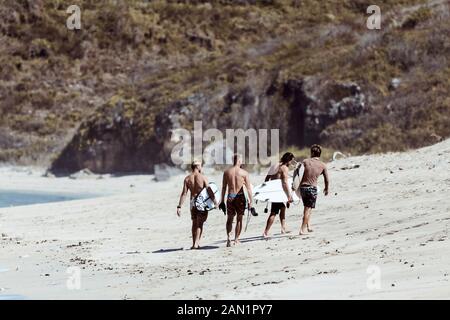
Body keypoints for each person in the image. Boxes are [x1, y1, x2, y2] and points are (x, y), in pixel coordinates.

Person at [177, 161, 217, 249]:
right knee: (200, 223)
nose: (201, 167)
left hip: (192, 202)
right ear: (198, 166)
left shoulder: (187, 178)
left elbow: (184, 193)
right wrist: (215, 201)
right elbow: (209, 190)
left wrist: (179, 206)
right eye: (201, 166)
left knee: (194, 222)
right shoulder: (203, 178)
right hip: (201, 202)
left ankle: (193, 243)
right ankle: (196, 244)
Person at [220, 154, 253, 247]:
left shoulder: (226, 172)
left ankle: (228, 239)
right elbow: (249, 188)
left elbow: (223, 188)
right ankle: (236, 239)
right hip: (240, 196)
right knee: (239, 218)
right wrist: (251, 201)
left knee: (230, 218)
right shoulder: (244, 173)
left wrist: (222, 201)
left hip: (230, 196)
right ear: (239, 161)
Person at [298, 144, 330, 235]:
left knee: (307, 208)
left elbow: (297, 173)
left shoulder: (305, 161)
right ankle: (302, 230)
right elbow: (327, 179)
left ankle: (308, 226)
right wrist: (326, 189)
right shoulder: (323, 165)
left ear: (312, 152)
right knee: (308, 209)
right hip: (312, 189)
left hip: (303, 188)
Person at [262, 152, 296, 238]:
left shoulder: (274, 165)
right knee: (273, 212)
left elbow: (267, 179)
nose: (291, 163)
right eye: (291, 161)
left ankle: (283, 228)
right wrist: (289, 196)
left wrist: (268, 190)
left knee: (282, 208)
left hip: (274, 191)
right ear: (288, 160)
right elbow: (284, 182)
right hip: (280, 192)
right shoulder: (284, 168)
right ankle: (265, 232)